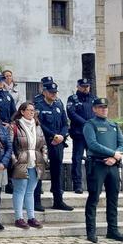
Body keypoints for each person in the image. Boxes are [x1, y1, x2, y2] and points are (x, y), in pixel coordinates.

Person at [82, 98, 123, 243]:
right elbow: (92, 144)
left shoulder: (113, 125)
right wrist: (112, 153)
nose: (104, 110)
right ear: (94, 109)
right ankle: (91, 231)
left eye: (105, 107)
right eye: (100, 107)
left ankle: (113, 230)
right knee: (94, 198)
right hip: (97, 165)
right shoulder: (90, 124)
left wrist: (115, 157)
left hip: (112, 165)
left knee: (113, 199)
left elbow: (122, 144)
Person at [33, 78, 73, 212]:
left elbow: (65, 123)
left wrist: (62, 136)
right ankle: (36, 200)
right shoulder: (39, 106)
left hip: (58, 143)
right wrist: (52, 135)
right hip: (44, 142)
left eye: (55, 92)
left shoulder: (58, 105)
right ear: (44, 92)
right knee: (39, 171)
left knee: (57, 172)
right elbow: (39, 124)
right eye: (51, 92)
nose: (54, 94)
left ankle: (58, 200)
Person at [9, 102, 47, 230]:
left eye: (33, 110)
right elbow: (9, 146)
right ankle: (18, 217)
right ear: (22, 111)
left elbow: (43, 144)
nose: (32, 112)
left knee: (30, 190)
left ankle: (31, 217)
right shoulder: (15, 126)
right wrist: (15, 160)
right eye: (29, 110)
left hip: (35, 161)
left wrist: (44, 158)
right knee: (20, 190)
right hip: (21, 161)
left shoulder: (37, 126)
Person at [67, 78, 96, 194]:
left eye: (87, 86)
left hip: (91, 135)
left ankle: (92, 183)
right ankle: (78, 184)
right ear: (78, 86)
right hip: (79, 133)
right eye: (83, 86)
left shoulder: (94, 99)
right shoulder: (73, 99)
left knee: (92, 159)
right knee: (77, 159)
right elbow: (71, 113)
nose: (85, 88)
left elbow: (98, 112)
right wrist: (86, 123)